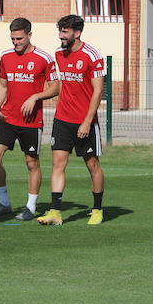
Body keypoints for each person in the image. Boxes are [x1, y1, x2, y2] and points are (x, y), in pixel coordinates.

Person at [39, 14, 107, 226]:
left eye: (65, 32)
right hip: (62, 119)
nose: (61, 36)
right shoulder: (59, 53)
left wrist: (87, 121)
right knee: (58, 163)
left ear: (77, 33)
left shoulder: (92, 55)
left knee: (92, 164)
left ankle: (97, 209)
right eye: (60, 31)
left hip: (84, 121)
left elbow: (97, 91)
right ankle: (55, 212)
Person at [0, 17, 58, 221]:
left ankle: (31, 206)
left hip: (31, 122)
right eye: (13, 39)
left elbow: (55, 87)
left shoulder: (44, 58)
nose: (15, 42)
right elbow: (3, 86)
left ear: (29, 35)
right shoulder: (6, 57)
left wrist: (35, 96)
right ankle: (4, 202)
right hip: (7, 118)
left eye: (19, 38)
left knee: (31, 162)